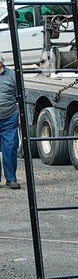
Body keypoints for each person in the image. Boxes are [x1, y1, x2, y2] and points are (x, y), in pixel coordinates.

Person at [0, 54, 20, 189]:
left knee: (10, 148)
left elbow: (20, 96)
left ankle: (11, 179)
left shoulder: (12, 75)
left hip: (9, 118)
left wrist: (20, 117)